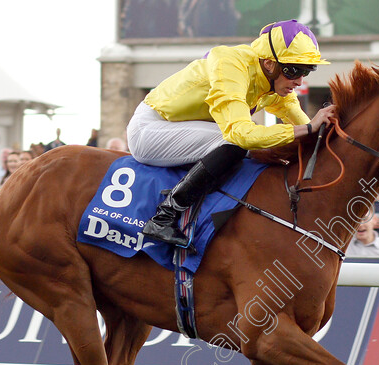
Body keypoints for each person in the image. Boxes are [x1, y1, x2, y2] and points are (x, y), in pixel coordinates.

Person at [127, 19, 335, 247]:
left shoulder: (278, 85)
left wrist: (329, 130)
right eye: (294, 70)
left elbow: (307, 129)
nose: (299, 80)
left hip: (182, 131)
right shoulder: (231, 63)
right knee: (238, 144)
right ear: (268, 64)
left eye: (307, 71)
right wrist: (307, 128)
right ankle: (164, 217)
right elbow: (241, 134)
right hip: (150, 130)